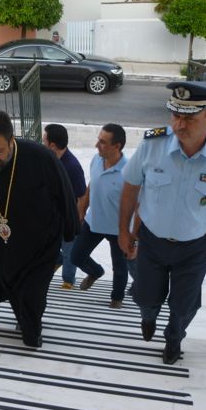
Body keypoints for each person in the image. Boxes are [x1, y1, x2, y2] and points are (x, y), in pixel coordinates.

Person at [118, 81, 206, 365]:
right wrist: (124, 231)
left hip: (195, 247)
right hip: (151, 240)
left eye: (189, 118)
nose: (179, 124)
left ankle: (174, 339)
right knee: (145, 297)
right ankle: (149, 317)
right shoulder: (152, 145)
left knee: (184, 305)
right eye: (176, 115)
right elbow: (130, 187)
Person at [0, 109, 79, 348]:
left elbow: (64, 193)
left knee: (34, 293)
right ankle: (26, 321)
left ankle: (31, 333)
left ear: (11, 140)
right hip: (1, 246)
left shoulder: (41, 158)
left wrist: (70, 232)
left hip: (41, 243)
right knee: (14, 290)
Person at [71, 123, 129, 309]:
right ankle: (95, 271)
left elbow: (136, 204)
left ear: (117, 146)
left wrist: (131, 234)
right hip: (93, 222)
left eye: (103, 142)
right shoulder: (97, 159)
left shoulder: (129, 171)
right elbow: (92, 185)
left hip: (118, 228)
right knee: (76, 257)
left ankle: (117, 299)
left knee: (120, 267)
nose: (96, 145)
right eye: (98, 140)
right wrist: (82, 210)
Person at [42, 123, 86, 289]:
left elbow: (82, 195)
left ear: (53, 145)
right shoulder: (50, 159)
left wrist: (77, 219)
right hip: (53, 215)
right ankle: (57, 260)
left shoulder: (72, 166)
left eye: (44, 140)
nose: (42, 143)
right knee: (50, 246)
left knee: (69, 251)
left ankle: (68, 281)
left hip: (68, 217)